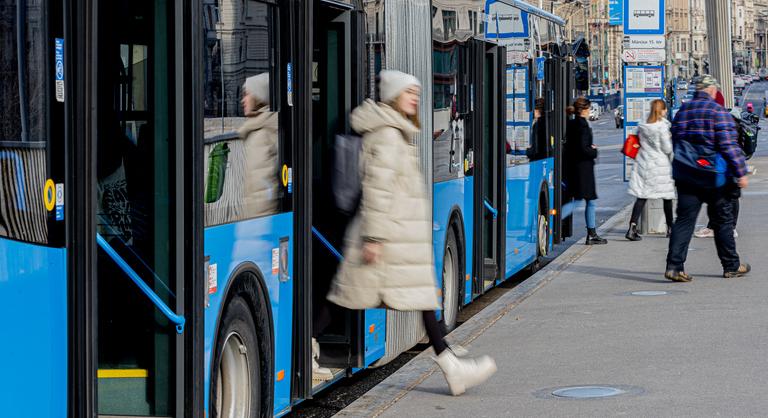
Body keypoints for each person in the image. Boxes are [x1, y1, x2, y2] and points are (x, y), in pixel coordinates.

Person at [327, 70, 497, 396]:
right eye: (409, 92)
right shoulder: (389, 135)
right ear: (393, 95)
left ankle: (451, 365)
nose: (415, 97)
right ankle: (452, 366)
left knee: (356, 297)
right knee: (349, 298)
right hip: (386, 239)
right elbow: (377, 188)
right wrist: (375, 238)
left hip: (392, 238)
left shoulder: (393, 130)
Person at [665, 75, 751, 282]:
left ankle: (674, 267)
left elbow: (674, 138)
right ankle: (731, 265)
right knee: (723, 221)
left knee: (684, 221)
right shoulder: (717, 112)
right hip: (713, 177)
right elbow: (729, 145)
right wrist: (740, 171)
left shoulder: (683, 111)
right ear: (712, 90)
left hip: (686, 174)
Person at [625, 99, 675, 241]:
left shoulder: (643, 125)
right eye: (665, 109)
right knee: (667, 197)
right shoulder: (662, 127)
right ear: (662, 110)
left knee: (642, 196)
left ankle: (632, 227)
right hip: (659, 165)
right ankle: (670, 228)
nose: (666, 111)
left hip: (644, 163)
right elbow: (667, 148)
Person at [565, 97, 607, 245]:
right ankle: (591, 233)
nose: (590, 112)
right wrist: (593, 150)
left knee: (583, 200)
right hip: (584, 168)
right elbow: (583, 148)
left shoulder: (571, 123)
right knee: (586, 201)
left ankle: (592, 233)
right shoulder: (582, 126)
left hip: (575, 167)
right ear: (583, 110)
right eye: (588, 109)